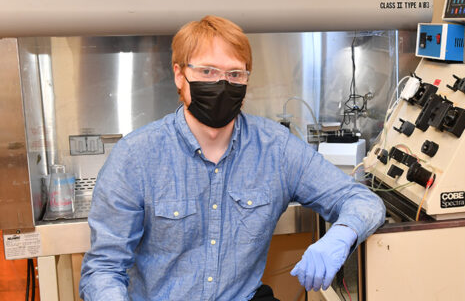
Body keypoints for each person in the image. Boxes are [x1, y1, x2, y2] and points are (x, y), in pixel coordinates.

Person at [79, 15, 385, 300]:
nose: (222, 84)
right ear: (179, 74)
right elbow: (103, 269)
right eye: (207, 71)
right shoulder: (135, 157)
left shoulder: (276, 149)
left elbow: (363, 201)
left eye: (235, 74)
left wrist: (341, 236)